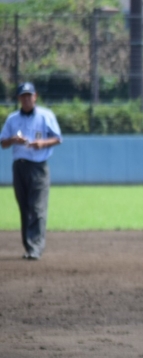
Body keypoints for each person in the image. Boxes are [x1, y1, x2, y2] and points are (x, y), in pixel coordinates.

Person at [0, 82, 62, 260]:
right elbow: (3, 143)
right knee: (25, 207)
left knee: (37, 207)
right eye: (23, 96)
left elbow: (58, 138)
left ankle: (35, 248)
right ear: (19, 98)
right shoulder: (12, 119)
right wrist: (13, 140)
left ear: (35, 96)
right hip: (19, 166)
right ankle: (29, 247)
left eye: (29, 95)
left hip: (38, 166)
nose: (26, 99)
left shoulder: (45, 116)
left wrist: (43, 143)